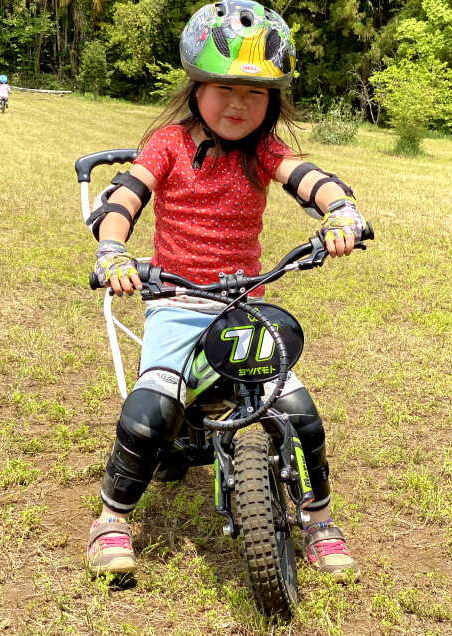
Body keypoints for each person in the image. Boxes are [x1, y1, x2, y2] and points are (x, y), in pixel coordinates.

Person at [86, 0, 366, 581]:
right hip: (176, 299)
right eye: (223, 87)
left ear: (273, 100)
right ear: (195, 88)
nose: (238, 104)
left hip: (244, 301)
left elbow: (308, 178)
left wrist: (340, 210)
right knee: (149, 411)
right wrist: (113, 250)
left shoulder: (264, 150)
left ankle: (319, 518)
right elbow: (123, 201)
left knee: (298, 410)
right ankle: (111, 519)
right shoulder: (167, 144)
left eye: (255, 93)